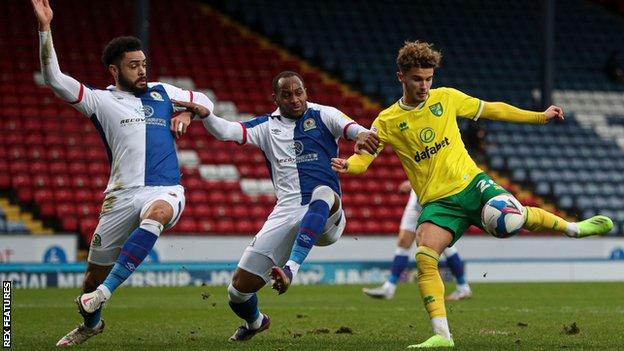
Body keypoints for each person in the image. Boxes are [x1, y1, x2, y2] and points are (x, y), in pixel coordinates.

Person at [331, 41, 614, 348]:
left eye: (428, 79)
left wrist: (539, 116)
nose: (424, 86)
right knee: (425, 257)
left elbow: (493, 109)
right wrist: (350, 165)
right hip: (438, 202)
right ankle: (442, 335)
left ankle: (574, 229)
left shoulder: (447, 98)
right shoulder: (387, 120)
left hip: (472, 185)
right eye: (417, 79)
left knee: (511, 221)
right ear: (401, 77)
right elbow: (364, 158)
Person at [31, 0, 213, 347]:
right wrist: (45, 28)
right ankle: (92, 322)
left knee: (158, 214)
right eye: (134, 66)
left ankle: (105, 293)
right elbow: (54, 79)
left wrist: (190, 113)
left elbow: (204, 99)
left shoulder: (162, 92)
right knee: (89, 278)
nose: (142, 71)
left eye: (144, 64)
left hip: (164, 188)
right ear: (114, 71)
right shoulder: (99, 101)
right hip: (120, 196)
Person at [174, 71, 378, 342]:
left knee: (323, 191)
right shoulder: (267, 127)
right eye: (287, 95)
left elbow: (351, 128)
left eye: (299, 92)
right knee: (237, 291)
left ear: (305, 91)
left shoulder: (323, 114)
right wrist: (204, 114)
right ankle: (256, 321)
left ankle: (292, 268)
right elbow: (226, 131)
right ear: (276, 98)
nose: (295, 99)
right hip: (287, 212)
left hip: (328, 216)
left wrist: (362, 134)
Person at [362, 181, 471, 301]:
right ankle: (389, 287)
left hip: (435, 199)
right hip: (417, 200)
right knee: (404, 241)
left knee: (443, 244)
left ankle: (463, 287)